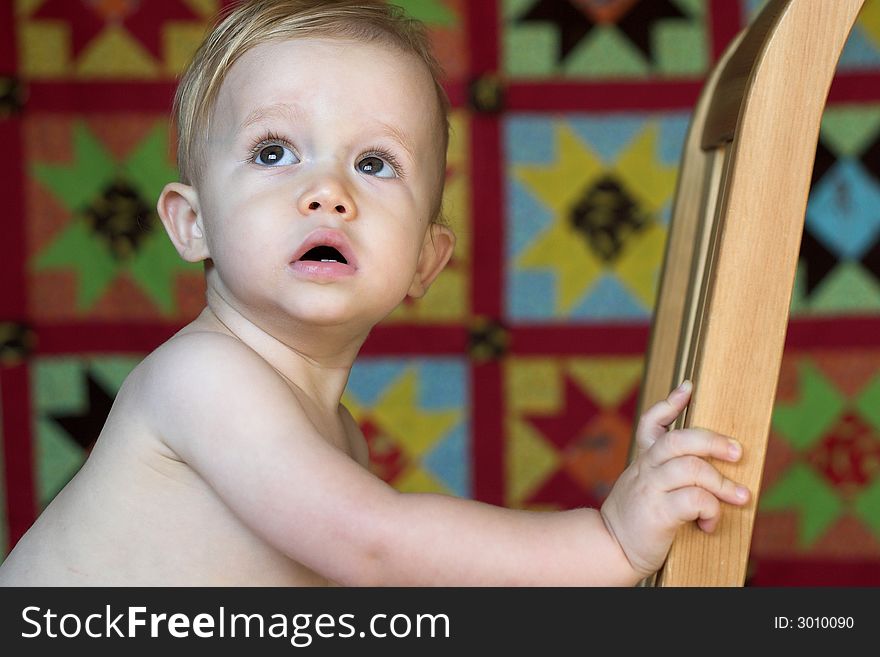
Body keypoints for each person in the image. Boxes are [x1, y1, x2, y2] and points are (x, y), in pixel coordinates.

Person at [0, 0, 749, 586]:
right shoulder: (201, 378)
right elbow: (377, 546)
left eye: (375, 163)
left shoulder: (339, 438)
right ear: (192, 223)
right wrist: (607, 540)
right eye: (274, 151)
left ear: (427, 259)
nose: (326, 192)